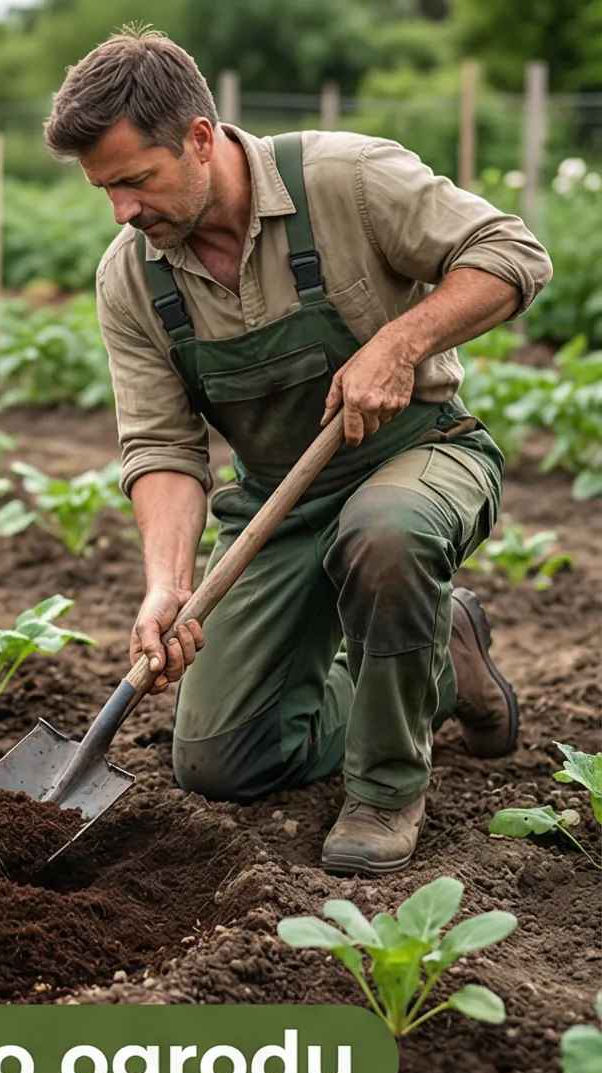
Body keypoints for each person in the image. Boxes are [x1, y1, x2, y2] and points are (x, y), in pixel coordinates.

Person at [47, 32, 549, 873]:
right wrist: (168, 583)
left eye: (136, 180)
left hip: (419, 452)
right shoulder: (132, 278)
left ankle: (385, 792)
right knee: (221, 761)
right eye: (106, 190)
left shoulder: (347, 180)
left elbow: (513, 254)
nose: (122, 212)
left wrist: (400, 343)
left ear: (199, 138)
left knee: (386, 532)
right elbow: (162, 446)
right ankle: (442, 664)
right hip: (278, 497)